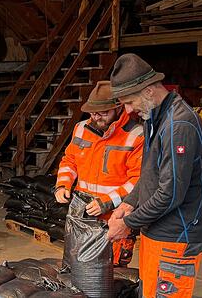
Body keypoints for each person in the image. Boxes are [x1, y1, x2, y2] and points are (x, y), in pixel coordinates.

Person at [106, 54, 202, 298]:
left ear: (149, 91)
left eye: (129, 102)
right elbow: (150, 172)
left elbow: (170, 194)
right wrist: (129, 203)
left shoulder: (178, 125)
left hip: (176, 237)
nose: (128, 110)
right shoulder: (154, 118)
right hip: (156, 232)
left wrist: (127, 223)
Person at [54, 80, 143, 266]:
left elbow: (139, 180)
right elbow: (69, 160)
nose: (96, 118)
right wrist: (62, 185)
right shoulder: (81, 128)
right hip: (81, 213)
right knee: (75, 265)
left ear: (119, 108)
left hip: (114, 218)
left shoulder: (136, 135)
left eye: (103, 113)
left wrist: (108, 201)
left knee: (110, 271)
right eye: (93, 113)